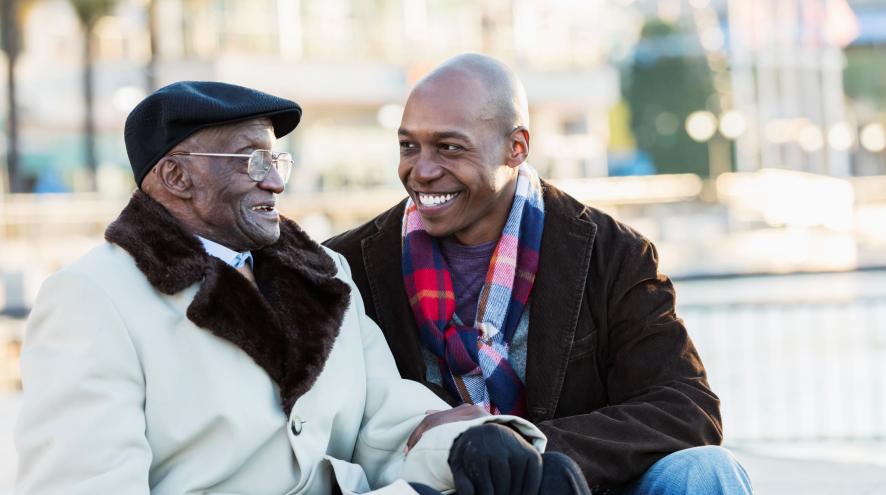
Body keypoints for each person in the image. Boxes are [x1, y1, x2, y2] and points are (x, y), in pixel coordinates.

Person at [14, 81, 562, 495]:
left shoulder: (322, 272)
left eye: (277, 159)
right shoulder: (92, 298)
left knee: (540, 479)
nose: (275, 179)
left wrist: (469, 448)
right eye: (252, 160)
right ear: (177, 177)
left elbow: (383, 418)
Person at [324, 54, 753, 494]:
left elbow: (686, 409)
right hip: (436, 487)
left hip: (574, 484)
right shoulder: (343, 267)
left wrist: (530, 454)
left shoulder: (613, 253)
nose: (422, 171)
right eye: (409, 146)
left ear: (517, 147)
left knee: (706, 469)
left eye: (450, 147)